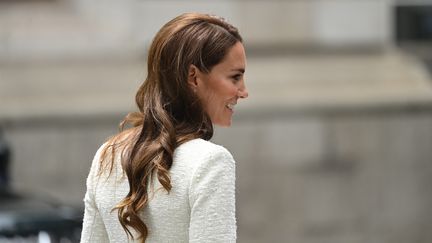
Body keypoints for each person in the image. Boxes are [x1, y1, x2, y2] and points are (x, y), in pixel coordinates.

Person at [80, 12, 248, 243]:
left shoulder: (107, 154)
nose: (243, 91)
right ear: (194, 77)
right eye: (235, 77)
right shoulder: (211, 162)